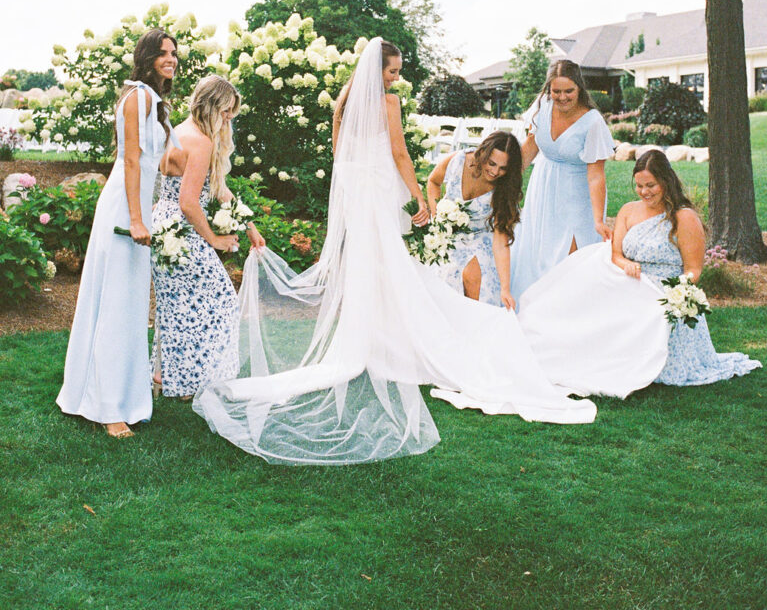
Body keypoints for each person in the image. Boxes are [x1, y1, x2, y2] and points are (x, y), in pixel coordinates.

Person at [193, 38, 596, 466]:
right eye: (392, 71)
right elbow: (401, 153)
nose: (395, 78)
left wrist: (349, 171)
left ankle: (373, 341)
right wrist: (418, 196)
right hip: (378, 188)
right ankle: (387, 343)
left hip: (355, 187)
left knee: (374, 267)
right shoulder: (387, 104)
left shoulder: (347, 98)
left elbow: (337, 137)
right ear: (378, 70)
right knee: (385, 266)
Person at [517, 150, 762, 396]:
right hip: (629, 281)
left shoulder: (683, 217)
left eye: (651, 185)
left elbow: (693, 269)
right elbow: (615, 253)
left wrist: (678, 293)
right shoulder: (628, 211)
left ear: (666, 181)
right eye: (639, 185)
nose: (645, 191)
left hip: (665, 289)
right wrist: (626, 265)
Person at [56, 29, 178, 438]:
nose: (171, 59)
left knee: (126, 304)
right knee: (116, 304)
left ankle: (118, 395)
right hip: (125, 211)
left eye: (174, 54)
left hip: (137, 204)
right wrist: (138, 219)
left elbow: (158, 162)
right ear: (147, 57)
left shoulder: (152, 99)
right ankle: (108, 408)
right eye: (163, 53)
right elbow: (130, 160)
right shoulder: (139, 96)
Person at [151, 76, 265, 399]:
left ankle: (167, 377)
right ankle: (188, 380)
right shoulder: (200, 142)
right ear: (212, 106)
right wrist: (215, 239)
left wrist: (249, 226)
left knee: (176, 305)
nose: (229, 118)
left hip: (164, 224)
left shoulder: (177, 131)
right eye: (226, 111)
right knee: (223, 301)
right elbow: (189, 202)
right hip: (183, 232)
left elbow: (218, 189)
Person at [510, 60, 615, 306]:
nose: (562, 97)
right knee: (537, 253)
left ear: (579, 88)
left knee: (569, 259)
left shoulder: (592, 121)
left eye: (569, 91)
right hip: (543, 187)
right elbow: (530, 147)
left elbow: (597, 174)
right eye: (556, 91)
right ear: (548, 89)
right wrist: (508, 182)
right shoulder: (541, 107)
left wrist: (598, 219)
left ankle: (567, 316)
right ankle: (533, 310)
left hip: (577, 196)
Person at [427, 132, 521, 309]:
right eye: (492, 163)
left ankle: (474, 322)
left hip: (480, 236)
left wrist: (505, 289)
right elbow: (433, 181)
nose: (495, 172)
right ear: (482, 153)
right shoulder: (457, 161)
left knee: (474, 273)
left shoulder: (504, 187)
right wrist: (436, 215)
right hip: (449, 234)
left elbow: (501, 240)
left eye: (503, 168)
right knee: (448, 273)